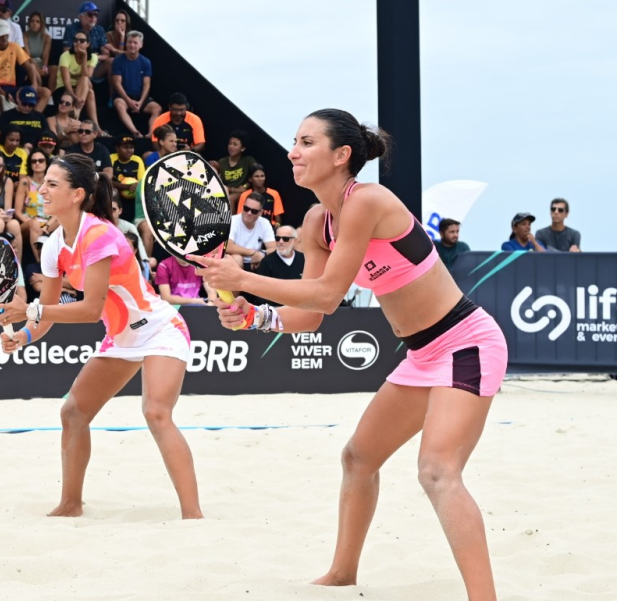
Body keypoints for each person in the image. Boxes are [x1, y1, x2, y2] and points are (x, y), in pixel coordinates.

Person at [191, 109, 507, 599]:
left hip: (466, 342)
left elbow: (326, 294)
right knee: (359, 458)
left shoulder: (368, 201)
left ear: (341, 156)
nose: (292, 151)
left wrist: (243, 281)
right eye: (294, 141)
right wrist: (254, 316)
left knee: (437, 471)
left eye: (306, 142)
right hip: (423, 353)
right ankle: (342, 573)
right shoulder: (319, 221)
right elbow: (312, 314)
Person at [0, 153, 203, 520]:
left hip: (160, 329)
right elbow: (47, 314)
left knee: (156, 413)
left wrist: (31, 312)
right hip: (121, 336)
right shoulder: (55, 244)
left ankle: (193, 517)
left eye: (52, 184)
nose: (41, 189)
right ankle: (71, 504)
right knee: (73, 412)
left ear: (76, 194)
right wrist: (24, 336)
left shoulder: (101, 234)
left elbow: (90, 309)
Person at [0, 19, 45, 135]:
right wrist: (2, 92)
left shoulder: (14, 46)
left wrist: (34, 84)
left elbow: (29, 66)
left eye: (6, 34)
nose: (4, 38)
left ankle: (32, 118)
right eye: (1, 35)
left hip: (12, 86)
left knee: (46, 92)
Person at [111, 31, 159, 138]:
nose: (132, 45)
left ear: (140, 45)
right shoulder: (118, 61)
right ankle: (135, 132)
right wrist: (129, 101)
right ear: (126, 43)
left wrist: (141, 102)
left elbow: (147, 85)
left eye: (135, 43)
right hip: (124, 97)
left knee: (157, 108)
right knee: (119, 104)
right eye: (130, 42)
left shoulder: (146, 62)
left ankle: (150, 133)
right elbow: (117, 83)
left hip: (140, 98)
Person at [245, 225, 303, 306]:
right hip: (275, 310)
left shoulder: (304, 259)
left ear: (295, 241)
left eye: (285, 239)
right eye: (277, 238)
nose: (281, 242)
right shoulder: (266, 262)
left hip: (300, 307)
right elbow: (261, 294)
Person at [55, 30, 101, 132]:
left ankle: (92, 124)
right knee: (89, 91)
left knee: (86, 82)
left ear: (88, 44)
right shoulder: (65, 56)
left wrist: (84, 57)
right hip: (64, 89)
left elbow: (87, 75)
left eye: (82, 41)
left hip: (81, 89)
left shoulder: (93, 57)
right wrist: (75, 98)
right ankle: (78, 118)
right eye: (75, 40)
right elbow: (66, 83)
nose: (78, 43)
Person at [15, 149, 55, 262]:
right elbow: (17, 212)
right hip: (29, 222)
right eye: (34, 161)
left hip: (49, 223)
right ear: (30, 164)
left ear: (46, 163)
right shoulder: (25, 182)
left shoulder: (53, 183)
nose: (37, 163)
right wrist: (31, 222)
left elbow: (58, 210)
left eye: (41, 160)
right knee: (35, 223)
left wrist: (46, 226)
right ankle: (40, 262)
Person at [226, 193, 275, 271]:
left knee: (271, 260)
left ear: (260, 213)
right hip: (234, 261)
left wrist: (261, 255)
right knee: (237, 258)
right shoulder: (232, 221)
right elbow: (227, 246)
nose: (249, 213)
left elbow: (273, 248)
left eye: (254, 211)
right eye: (246, 208)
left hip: (256, 261)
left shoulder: (264, 223)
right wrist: (252, 253)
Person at [62, 2, 110, 81]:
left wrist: (93, 57)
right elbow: (66, 52)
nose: (93, 17)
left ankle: (113, 93)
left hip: (94, 65)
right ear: (81, 17)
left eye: (96, 15)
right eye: (90, 14)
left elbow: (106, 55)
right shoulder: (71, 29)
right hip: (77, 64)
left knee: (111, 62)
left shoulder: (100, 30)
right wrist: (86, 57)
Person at [214, 129, 258, 208]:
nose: (231, 147)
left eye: (235, 144)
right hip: (227, 190)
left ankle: (232, 220)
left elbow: (257, 172)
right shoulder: (222, 162)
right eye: (230, 144)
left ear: (242, 148)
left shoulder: (248, 160)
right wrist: (232, 189)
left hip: (243, 192)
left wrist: (246, 185)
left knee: (229, 199)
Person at [110, 134, 144, 216]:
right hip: (117, 194)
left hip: (133, 194)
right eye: (125, 147)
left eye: (131, 147)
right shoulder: (111, 158)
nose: (129, 150)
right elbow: (107, 180)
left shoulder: (137, 160)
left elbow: (142, 181)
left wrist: (135, 186)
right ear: (117, 149)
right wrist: (127, 187)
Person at [22, 11, 51, 86]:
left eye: (38, 21)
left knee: (55, 69)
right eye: (32, 21)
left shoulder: (47, 37)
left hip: (40, 63)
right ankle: (39, 87)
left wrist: (44, 68)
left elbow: (45, 55)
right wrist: (38, 70)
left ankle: (51, 94)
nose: (34, 23)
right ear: (29, 23)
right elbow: (27, 56)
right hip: (28, 63)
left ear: (42, 24)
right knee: (32, 66)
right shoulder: (25, 36)